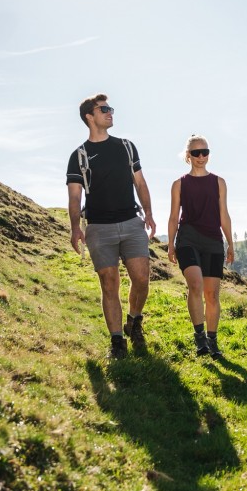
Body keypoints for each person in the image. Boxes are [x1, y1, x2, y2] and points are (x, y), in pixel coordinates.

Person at [66, 94, 157, 359]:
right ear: (89, 117)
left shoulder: (126, 147)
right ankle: (117, 342)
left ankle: (134, 320)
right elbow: (74, 197)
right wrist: (74, 228)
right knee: (109, 283)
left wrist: (149, 213)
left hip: (131, 222)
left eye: (110, 108)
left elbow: (140, 183)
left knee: (141, 278)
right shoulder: (79, 156)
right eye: (103, 109)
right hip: (98, 228)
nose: (110, 112)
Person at [166, 135, 234, 358]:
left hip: (213, 240)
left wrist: (230, 243)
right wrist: (170, 244)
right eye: (196, 153)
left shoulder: (219, 182)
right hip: (188, 239)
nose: (201, 157)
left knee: (212, 294)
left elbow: (224, 214)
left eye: (205, 152)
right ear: (188, 156)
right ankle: (199, 339)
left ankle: (212, 341)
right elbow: (174, 216)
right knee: (195, 284)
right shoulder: (179, 184)